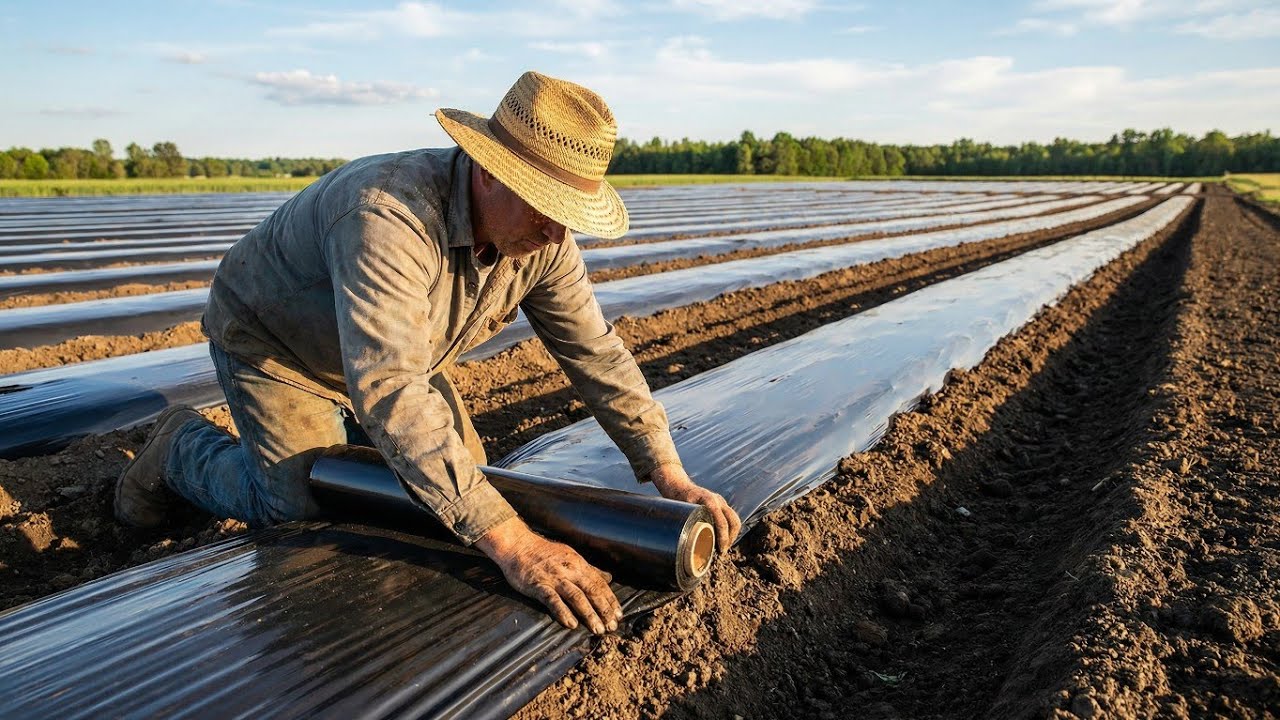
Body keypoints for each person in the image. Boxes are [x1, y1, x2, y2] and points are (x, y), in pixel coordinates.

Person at [113, 70, 741, 635]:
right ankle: (180, 451)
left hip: (397, 352)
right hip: (281, 342)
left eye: (569, 215)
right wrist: (517, 548)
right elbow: (389, 390)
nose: (559, 231)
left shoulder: (544, 241)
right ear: (492, 171)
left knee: (469, 480)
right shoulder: (388, 215)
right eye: (549, 208)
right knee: (294, 504)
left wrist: (667, 471)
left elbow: (596, 354)